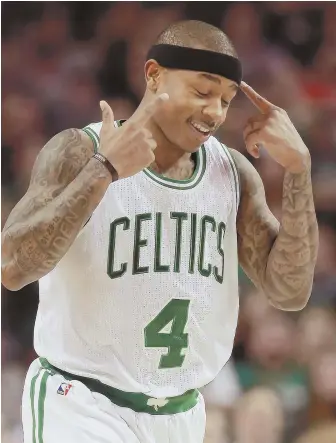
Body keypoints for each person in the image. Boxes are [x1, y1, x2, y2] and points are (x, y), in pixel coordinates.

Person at [1, 20, 319, 443]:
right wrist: (104, 171)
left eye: (225, 100)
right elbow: (12, 266)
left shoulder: (233, 174)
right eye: (202, 92)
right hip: (80, 401)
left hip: (179, 413)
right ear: (153, 75)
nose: (215, 112)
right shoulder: (83, 150)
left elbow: (289, 291)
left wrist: (299, 171)